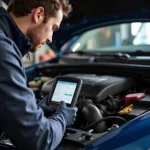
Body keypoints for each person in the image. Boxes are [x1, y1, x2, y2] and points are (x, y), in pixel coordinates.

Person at [0, 0, 78, 150]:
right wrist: (62, 117)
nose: (50, 39)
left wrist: (30, 110)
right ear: (39, 14)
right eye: (53, 28)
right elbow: (39, 140)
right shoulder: (4, 52)